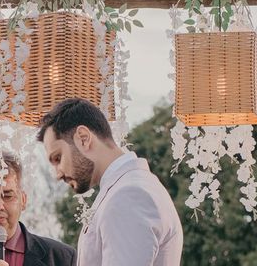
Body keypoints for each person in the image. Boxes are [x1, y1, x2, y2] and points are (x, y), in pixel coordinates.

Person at [37, 97, 183, 266]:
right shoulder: (130, 187)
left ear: (83, 138)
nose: (57, 174)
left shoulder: (128, 195)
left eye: (58, 157)